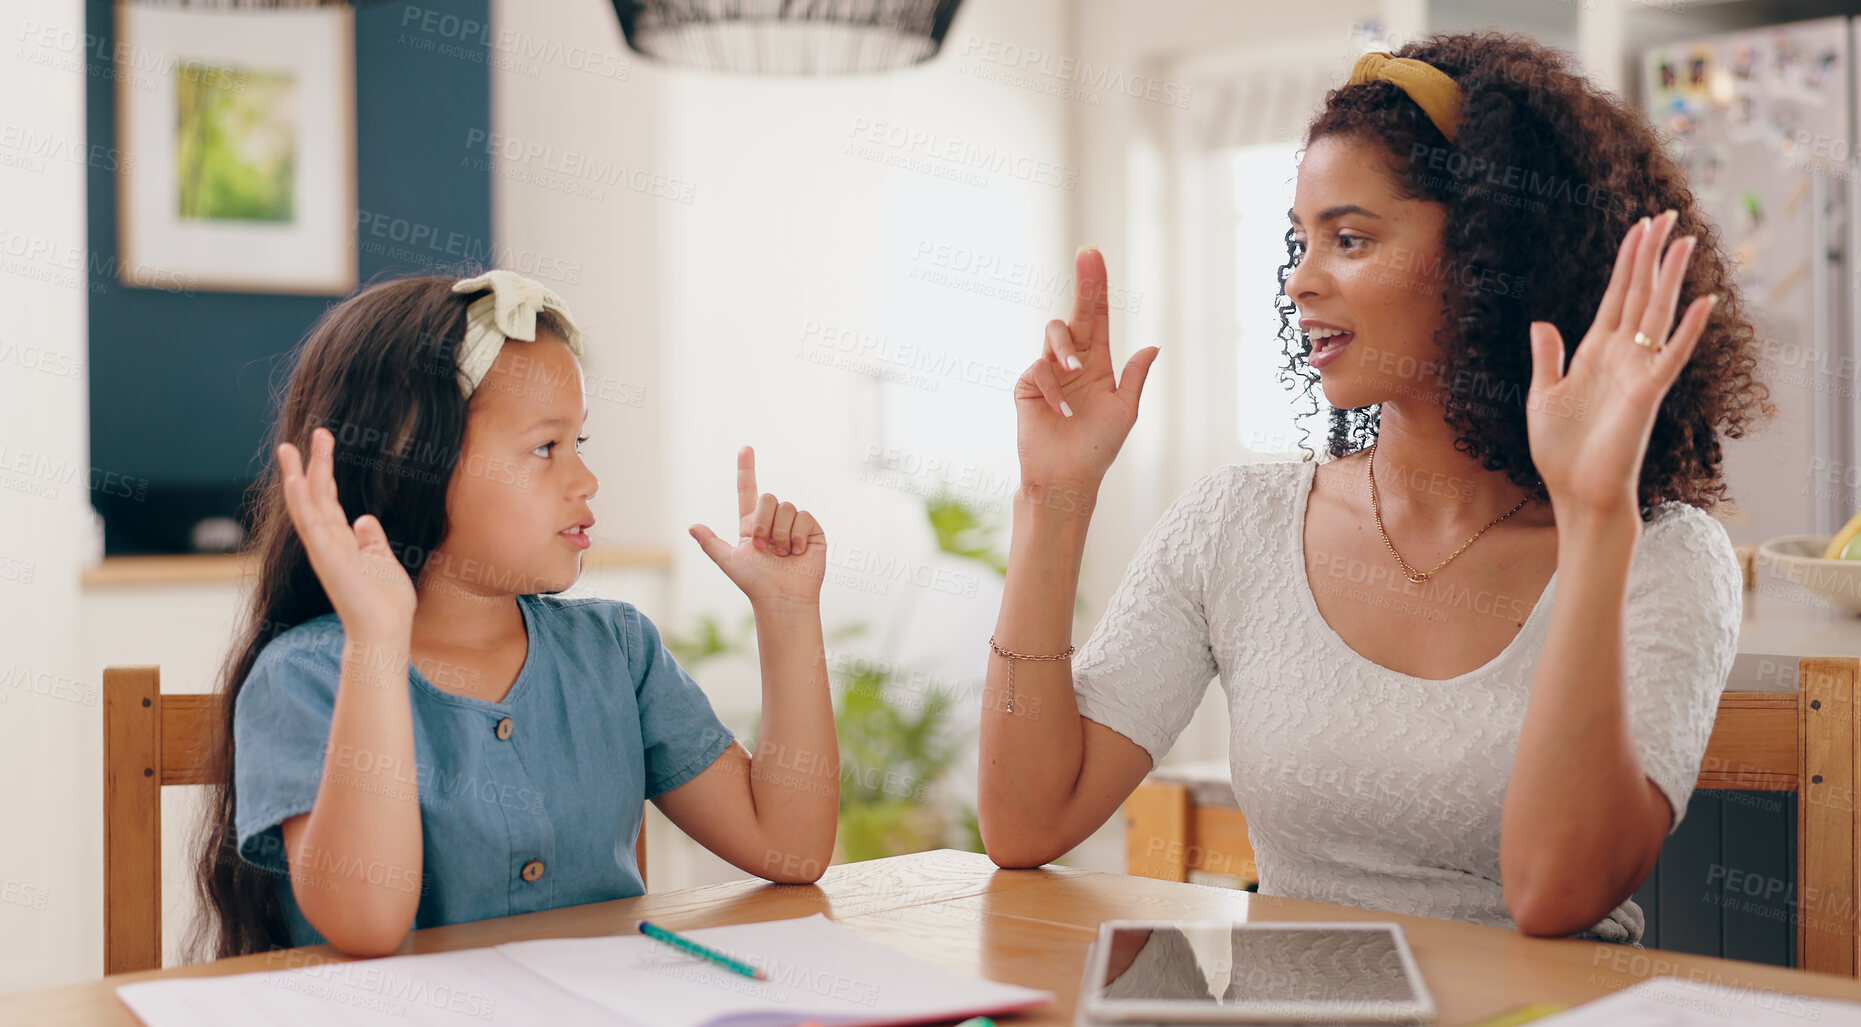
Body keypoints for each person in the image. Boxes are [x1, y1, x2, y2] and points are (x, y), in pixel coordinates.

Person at [977, 31, 1772, 943]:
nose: (1300, 282)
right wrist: (1052, 496)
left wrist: (1593, 515)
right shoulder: (1236, 522)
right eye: (1299, 243)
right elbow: (1026, 821)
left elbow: (1556, 895)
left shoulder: (1663, 556)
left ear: (1489, 257)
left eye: (1348, 238)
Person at [191, 270, 837, 958]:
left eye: (578, 444)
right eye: (544, 447)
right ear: (412, 461)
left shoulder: (618, 652)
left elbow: (789, 847)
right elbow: (367, 924)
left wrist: (788, 610)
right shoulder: (306, 676)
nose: (585, 480)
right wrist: (377, 643)